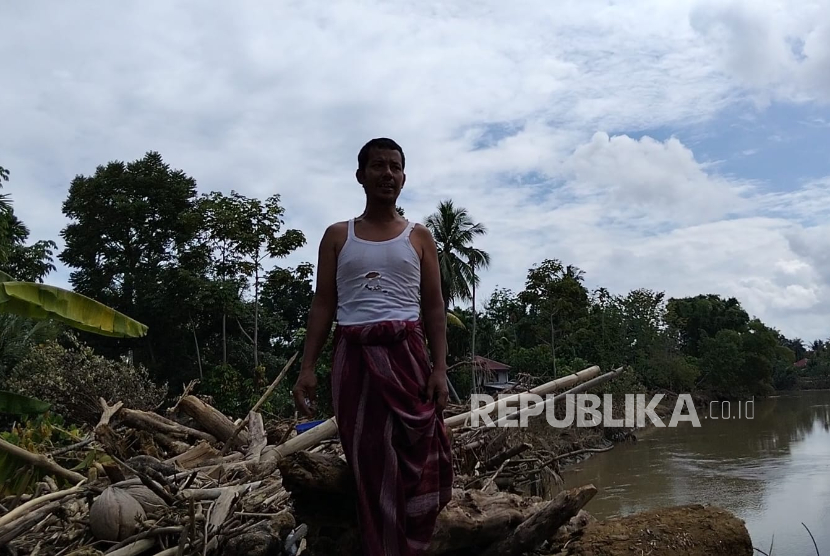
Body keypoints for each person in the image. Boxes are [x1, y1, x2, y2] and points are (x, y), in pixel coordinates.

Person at [292, 138, 454, 555]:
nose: (388, 174)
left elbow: (434, 308)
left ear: (404, 177)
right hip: (355, 360)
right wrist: (307, 368)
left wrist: (439, 369)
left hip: (409, 358)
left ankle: (414, 541)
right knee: (369, 460)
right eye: (378, 166)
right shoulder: (336, 237)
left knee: (421, 456)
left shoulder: (420, 238)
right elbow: (323, 303)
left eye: (395, 167)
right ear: (360, 175)